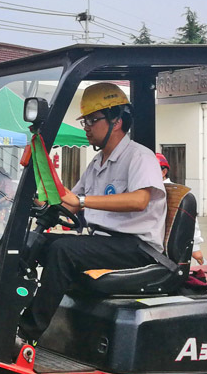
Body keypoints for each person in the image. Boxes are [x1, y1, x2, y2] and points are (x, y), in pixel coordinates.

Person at [19, 83, 166, 343]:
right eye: (85, 121)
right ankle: (5, 313)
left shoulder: (139, 157)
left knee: (63, 250)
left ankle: (26, 333)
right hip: (104, 242)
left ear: (117, 121)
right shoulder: (97, 162)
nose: (86, 127)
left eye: (91, 120)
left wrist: (83, 201)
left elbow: (140, 199)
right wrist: (41, 200)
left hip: (136, 248)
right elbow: (71, 202)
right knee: (32, 243)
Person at [157, 153, 204, 265]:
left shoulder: (176, 193)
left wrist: (195, 247)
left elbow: (189, 220)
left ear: (164, 172)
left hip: (166, 252)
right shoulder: (147, 190)